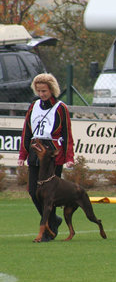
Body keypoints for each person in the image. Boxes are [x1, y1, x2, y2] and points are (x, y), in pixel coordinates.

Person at [18, 73, 75, 242]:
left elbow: (67, 133)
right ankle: (53, 220)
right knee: (33, 192)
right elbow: (27, 131)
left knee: (49, 194)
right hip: (36, 151)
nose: (42, 94)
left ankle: (48, 230)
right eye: (39, 91)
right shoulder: (33, 106)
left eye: (44, 90)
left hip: (52, 154)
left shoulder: (60, 107)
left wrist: (69, 157)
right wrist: (23, 154)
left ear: (52, 90)